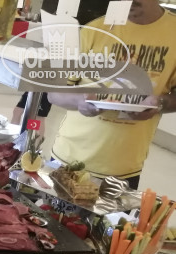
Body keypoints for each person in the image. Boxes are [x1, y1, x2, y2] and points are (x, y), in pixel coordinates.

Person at [48, 0, 176, 189]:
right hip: (68, 157)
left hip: (124, 168)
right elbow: (54, 93)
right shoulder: (95, 29)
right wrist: (80, 101)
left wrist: (160, 103)